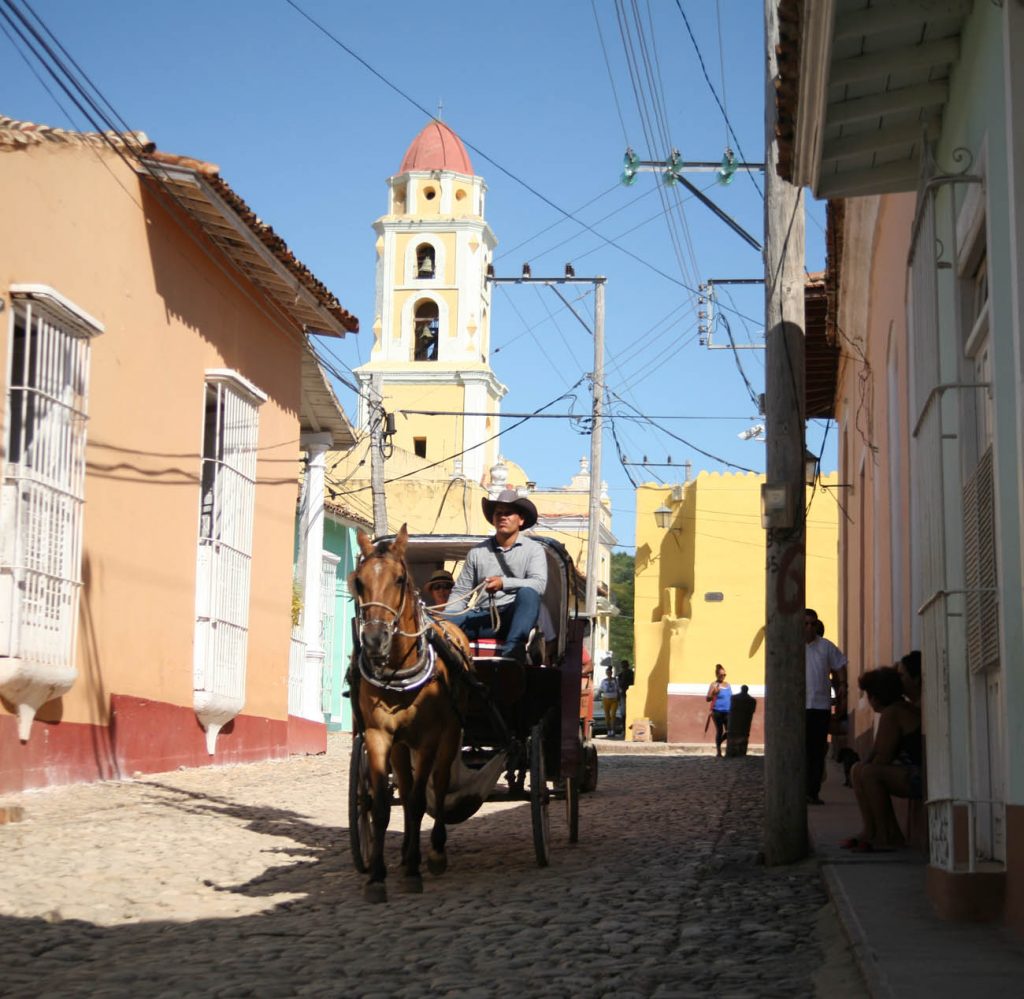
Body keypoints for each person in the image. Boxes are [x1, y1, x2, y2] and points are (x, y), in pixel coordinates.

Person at [446, 489, 546, 662]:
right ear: (493, 519)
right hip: (483, 617)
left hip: (513, 617)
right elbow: (461, 592)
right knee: (434, 623)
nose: (503, 517)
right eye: (498, 513)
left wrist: (503, 583)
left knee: (529, 594)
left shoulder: (534, 550)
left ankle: (513, 651)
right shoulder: (477, 552)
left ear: (520, 520)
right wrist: (447, 620)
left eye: (508, 513)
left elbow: (539, 584)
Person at [841, 666, 923, 851]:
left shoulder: (894, 712)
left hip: (920, 776)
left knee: (869, 774)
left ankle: (888, 834)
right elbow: (876, 750)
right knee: (858, 770)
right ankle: (870, 831)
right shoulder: (894, 711)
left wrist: (865, 771)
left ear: (875, 697)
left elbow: (883, 756)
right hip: (911, 772)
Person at [804, 608, 848, 805]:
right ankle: (799, 789)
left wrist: (842, 690)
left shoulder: (826, 647)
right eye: (805, 623)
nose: (809, 627)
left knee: (816, 751)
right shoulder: (792, 646)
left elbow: (840, 668)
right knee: (800, 751)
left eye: (813, 623)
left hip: (820, 707)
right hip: (799, 708)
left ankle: (812, 791)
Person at [705, 664, 732, 757]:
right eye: (721, 675)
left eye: (724, 675)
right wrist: (713, 693)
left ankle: (719, 742)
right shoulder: (714, 684)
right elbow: (707, 698)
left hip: (728, 711)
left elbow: (730, 697)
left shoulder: (728, 685)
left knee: (730, 731)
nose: (723, 676)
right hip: (717, 712)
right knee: (720, 731)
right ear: (717, 675)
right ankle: (719, 752)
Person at [726, 684, 757, 757]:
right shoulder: (752, 700)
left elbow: (731, 709)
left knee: (733, 736)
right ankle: (741, 752)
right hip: (745, 722)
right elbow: (752, 711)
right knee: (743, 736)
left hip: (734, 721)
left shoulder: (734, 698)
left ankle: (731, 752)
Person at [598, 665, 620, 738]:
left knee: (613, 715)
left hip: (614, 699)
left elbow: (618, 690)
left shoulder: (615, 680)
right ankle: (608, 731)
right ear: (606, 673)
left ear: (611, 672)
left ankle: (613, 731)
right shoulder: (603, 681)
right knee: (607, 716)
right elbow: (600, 690)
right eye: (607, 672)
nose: (609, 673)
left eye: (610, 672)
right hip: (606, 699)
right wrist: (598, 696)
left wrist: (618, 698)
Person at [616, 659, 634, 731]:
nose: (623, 667)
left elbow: (620, 685)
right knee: (624, 713)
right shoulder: (622, 675)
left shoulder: (630, 673)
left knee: (625, 713)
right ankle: (624, 729)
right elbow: (619, 686)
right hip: (624, 695)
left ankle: (625, 729)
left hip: (628, 695)